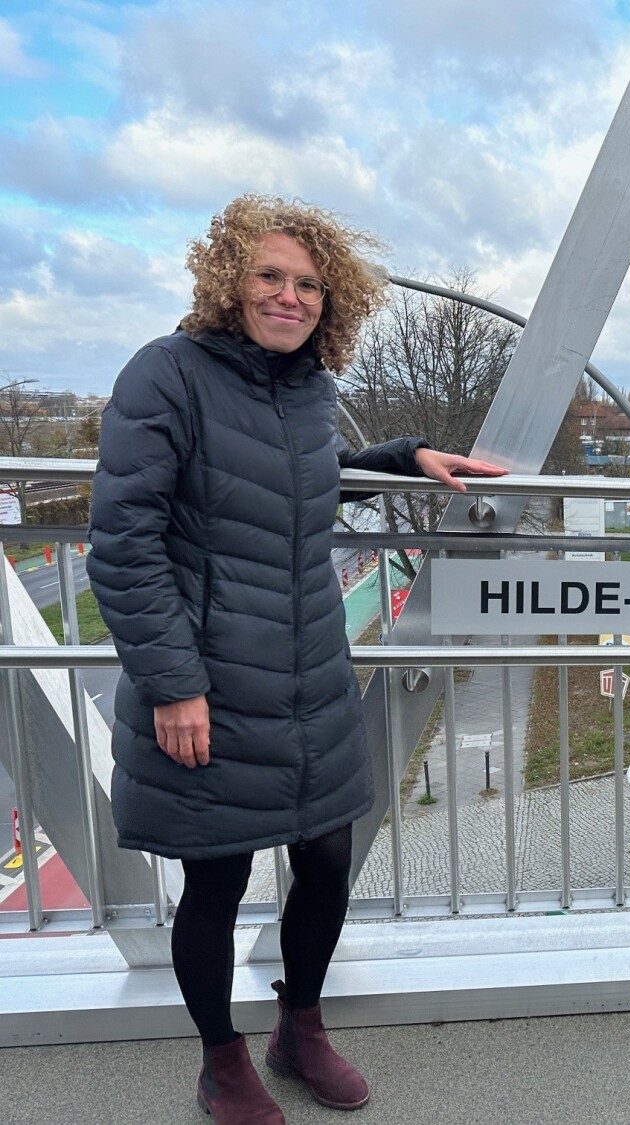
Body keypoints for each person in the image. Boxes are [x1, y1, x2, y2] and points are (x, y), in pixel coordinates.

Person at [87, 194, 507, 1122]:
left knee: (325, 855)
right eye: (270, 275)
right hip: (209, 680)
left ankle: (299, 1027)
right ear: (228, 279)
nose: (290, 295)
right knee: (219, 872)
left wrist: (406, 456)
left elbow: (309, 469)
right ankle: (221, 1059)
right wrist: (172, 683)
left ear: (333, 300)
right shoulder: (165, 375)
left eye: (309, 283)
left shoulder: (308, 385)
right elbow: (122, 544)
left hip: (311, 667)